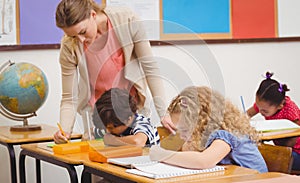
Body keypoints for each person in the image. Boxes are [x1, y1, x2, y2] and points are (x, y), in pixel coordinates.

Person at [53, 0, 176, 144]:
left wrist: (163, 113)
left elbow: (150, 67)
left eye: (82, 32)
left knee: (133, 158)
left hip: (129, 112)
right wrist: (65, 131)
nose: (80, 40)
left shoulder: (127, 20)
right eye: (73, 36)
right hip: (99, 118)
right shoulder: (69, 46)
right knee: (97, 162)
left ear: (93, 15)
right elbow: (69, 97)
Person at [149, 86, 268, 173]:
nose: (182, 136)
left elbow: (203, 161)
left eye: (185, 129)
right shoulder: (207, 137)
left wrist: (162, 155)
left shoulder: (227, 135)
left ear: (202, 121)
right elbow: (188, 152)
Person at [246, 71, 300, 171]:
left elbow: (293, 139)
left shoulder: (290, 110)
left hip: (296, 153)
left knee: (271, 158)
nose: (260, 112)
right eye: (258, 107)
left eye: (264, 111)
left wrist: (270, 138)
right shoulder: (265, 105)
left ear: (280, 106)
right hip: (282, 149)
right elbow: (245, 115)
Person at [93, 88, 160, 147]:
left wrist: (112, 140)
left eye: (111, 128)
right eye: (106, 127)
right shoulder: (113, 126)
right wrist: (88, 135)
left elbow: (138, 142)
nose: (108, 131)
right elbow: (92, 132)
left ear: (129, 119)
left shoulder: (142, 123)